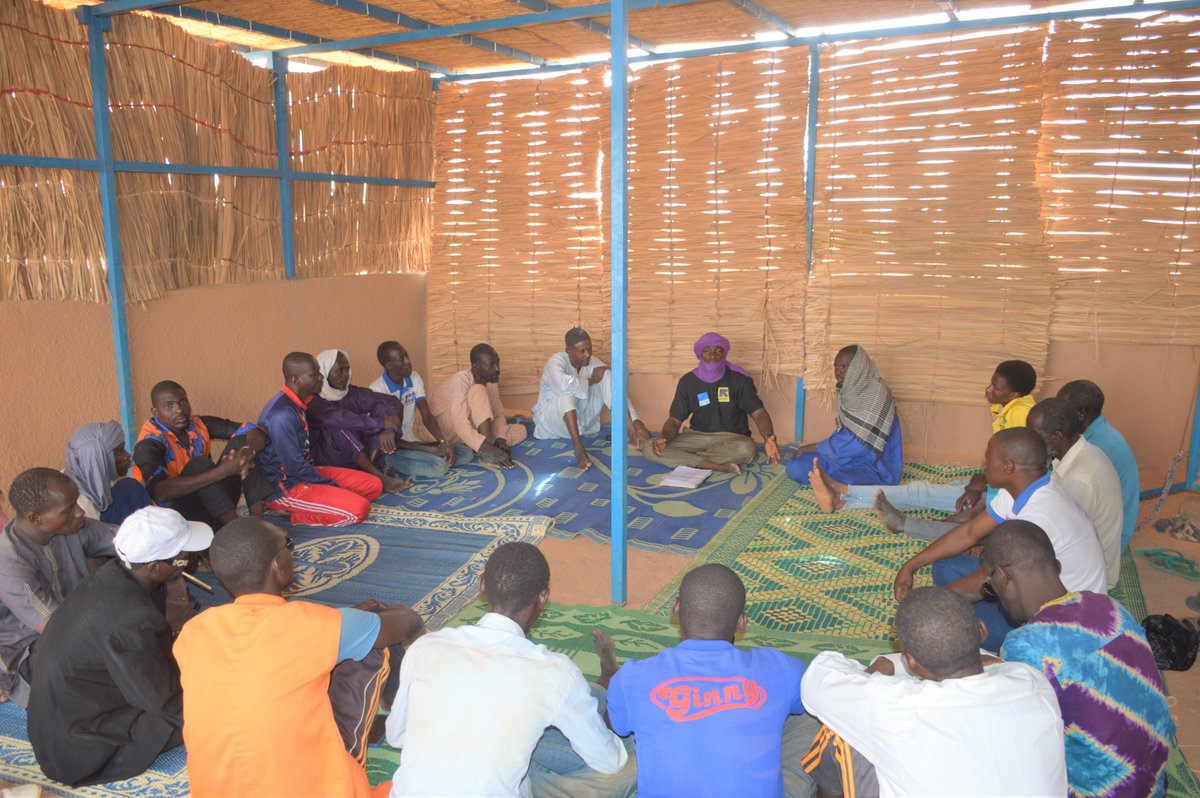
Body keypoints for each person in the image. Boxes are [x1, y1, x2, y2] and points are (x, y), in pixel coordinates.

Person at [174, 517, 424, 798]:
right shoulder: (309, 623)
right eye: (288, 546)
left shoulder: (193, 632)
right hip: (316, 789)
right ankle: (408, 721)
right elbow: (406, 622)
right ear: (278, 566)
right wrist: (369, 617)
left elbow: (268, 647)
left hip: (214, 790)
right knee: (377, 642)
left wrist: (342, 619)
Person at [386, 541, 633, 797]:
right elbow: (609, 762)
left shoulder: (426, 647)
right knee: (628, 764)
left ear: (482, 584)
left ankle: (598, 694)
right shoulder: (554, 671)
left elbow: (397, 737)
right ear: (543, 597)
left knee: (551, 713)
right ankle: (606, 691)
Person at [800, 586, 1066, 797]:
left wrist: (884, 666)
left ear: (910, 661)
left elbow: (818, 678)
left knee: (841, 733)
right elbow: (989, 662)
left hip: (897, 685)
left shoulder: (891, 707)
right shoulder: (1032, 682)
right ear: (982, 630)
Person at [983, 520, 1174, 798]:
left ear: (1001, 576)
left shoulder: (1024, 643)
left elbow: (1019, 736)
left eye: (991, 587)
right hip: (1152, 784)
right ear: (1056, 567)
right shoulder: (1110, 607)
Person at [27, 507, 211, 787]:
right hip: (84, 749)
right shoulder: (131, 618)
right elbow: (162, 701)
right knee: (213, 703)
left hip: (58, 726)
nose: (189, 561)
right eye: (184, 558)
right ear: (155, 567)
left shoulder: (109, 577)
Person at [602, 564, 816, 798]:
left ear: (676, 608)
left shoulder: (633, 677)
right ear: (741, 622)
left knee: (631, 716)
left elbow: (612, 725)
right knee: (818, 712)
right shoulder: (780, 668)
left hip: (627, 693)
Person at [891, 428, 1106, 651]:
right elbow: (969, 533)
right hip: (1026, 585)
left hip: (1066, 621)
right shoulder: (1020, 491)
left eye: (988, 458)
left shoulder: (1038, 517)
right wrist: (911, 566)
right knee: (945, 565)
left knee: (949, 625)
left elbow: (982, 580)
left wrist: (926, 605)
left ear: (1008, 467)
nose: (983, 464)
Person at [810, 359, 1037, 531]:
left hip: (1004, 496)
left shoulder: (1020, 414)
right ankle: (843, 489)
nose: (989, 390)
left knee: (919, 492)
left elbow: (1018, 467)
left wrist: (981, 486)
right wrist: (981, 480)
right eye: (991, 384)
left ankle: (842, 500)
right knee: (931, 488)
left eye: (996, 387)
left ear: (1014, 393)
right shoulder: (1014, 406)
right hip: (999, 487)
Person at [0, 468, 116, 707]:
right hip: (27, 648)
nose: (80, 512)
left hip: (76, 623)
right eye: (69, 509)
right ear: (35, 518)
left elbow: (129, 540)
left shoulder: (72, 528)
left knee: (143, 574)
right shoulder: (9, 561)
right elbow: (56, 627)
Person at [257, 352, 384, 526]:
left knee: (374, 486)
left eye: (319, 371)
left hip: (308, 471)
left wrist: (326, 483)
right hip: (287, 487)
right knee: (358, 510)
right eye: (314, 374)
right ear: (296, 380)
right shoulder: (282, 415)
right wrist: (330, 485)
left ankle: (331, 500)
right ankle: (292, 515)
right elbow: (294, 467)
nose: (321, 377)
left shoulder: (299, 402)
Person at [131, 380, 270, 529]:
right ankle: (237, 530)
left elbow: (255, 432)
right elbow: (160, 491)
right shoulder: (148, 443)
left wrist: (248, 451)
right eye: (169, 405)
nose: (179, 409)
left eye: (183, 402)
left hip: (212, 506)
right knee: (200, 464)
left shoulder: (198, 425)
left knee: (243, 444)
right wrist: (221, 472)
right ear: (156, 413)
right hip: (173, 520)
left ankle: (258, 524)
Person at [642, 332, 780, 474]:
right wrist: (664, 438)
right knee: (649, 447)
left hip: (732, 437)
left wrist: (769, 437)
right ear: (699, 354)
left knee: (746, 448)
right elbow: (675, 420)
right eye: (707, 350)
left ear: (725, 354)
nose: (712, 355)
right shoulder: (688, 381)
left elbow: (758, 412)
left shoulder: (740, 379)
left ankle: (690, 461)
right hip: (696, 436)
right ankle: (717, 466)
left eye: (718, 350)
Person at [1027, 398, 1124, 589]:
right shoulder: (1081, 452)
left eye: (1034, 435)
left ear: (1056, 436)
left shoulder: (1078, 480)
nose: (1029, 440)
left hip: (1089, 575)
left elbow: (1059, 539)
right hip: (1084, 553)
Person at [532, 327, 651, 471]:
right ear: (568, 350)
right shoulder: (556, 362)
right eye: (582, 351)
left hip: (584, 424)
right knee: (566, 391)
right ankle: (578, 448)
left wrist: (636, 421)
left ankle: (632, 433)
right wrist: (591, 380)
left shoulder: (593, 361)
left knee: (607, 375)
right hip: (553, 424)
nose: (587, 354)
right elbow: (564, 386)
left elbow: (616, 389)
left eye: (589, 349)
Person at [787, 345, 903, 487]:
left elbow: (858, 446)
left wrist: (810, 448)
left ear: (859, 368)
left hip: (872, 466)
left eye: (844, 366)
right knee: (795, 467)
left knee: (843, 480)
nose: (838, 371)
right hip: (842, 457)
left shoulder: (878, 395)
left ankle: (834, 487)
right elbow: (843, 438)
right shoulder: (847, 393)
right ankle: (831, 485)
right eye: (836, 366)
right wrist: (819, 450)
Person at [309, 349, 409, 494]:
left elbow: (390, 402)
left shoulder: (350, 393)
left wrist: (388, 430)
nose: (345, 375)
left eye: (347, 369)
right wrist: (381, 422)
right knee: (340, 426)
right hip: (329, 459)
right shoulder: (313, 400)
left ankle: (370, 468)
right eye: (339, 371)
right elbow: (339, 418)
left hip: (361, 456)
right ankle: (377, 475)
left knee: (381, 412)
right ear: (323, 373)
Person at [1058, 380, 1140, 551]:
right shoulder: (1100, 432)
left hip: (1110, 539)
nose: (1059, 413)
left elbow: (1075, 513)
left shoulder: (1096, 446)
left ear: (1081, 414)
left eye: (1063, 408)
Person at [369, 340, 466, 479]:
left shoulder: (414, 378)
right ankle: (388, 463)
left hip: (412, 442)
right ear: (389, 366)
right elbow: (388, 437)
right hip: (392, 448)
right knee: (440, 466)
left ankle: (428, 457)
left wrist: (443, 442)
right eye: (401, 359)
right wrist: (429, 449)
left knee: (464, 452)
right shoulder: (377, 390)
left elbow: (426, 415)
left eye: (407, 356)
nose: (408, 361)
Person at [428, 343, 528, 470]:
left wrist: (501, 439)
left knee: (521, 430)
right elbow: (460, 423)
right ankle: (486, 452)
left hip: (466, 430)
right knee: (478, 390)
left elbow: (498, 414)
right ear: (475, 367)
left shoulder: (491, 380)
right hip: (441, 429)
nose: (497, 369)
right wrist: (490, 449)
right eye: (491, 365)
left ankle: (479, 444)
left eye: (497, 363)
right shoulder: (461, 381)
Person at [64, 421, 152, 525]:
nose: (127, 455)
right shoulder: (78, 503)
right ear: (97, 458)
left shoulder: (101, 481)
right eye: (119, 451)